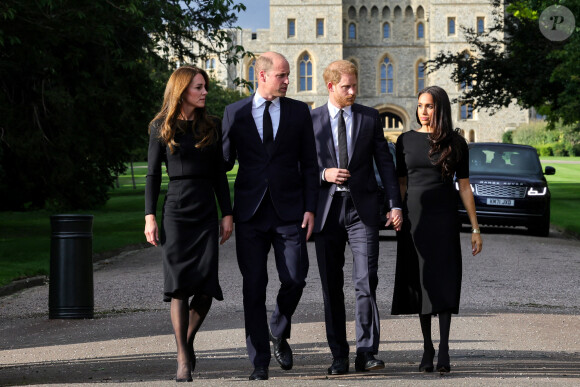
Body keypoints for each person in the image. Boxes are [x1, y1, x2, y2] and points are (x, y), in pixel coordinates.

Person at [222, 52, 318, 381]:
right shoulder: (234, 113)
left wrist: (310, 207)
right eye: (282, 75)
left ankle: (279, 327)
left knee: (295, 277)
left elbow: (310, 163)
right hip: (249, 213)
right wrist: (225, 211)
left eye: (288, 75)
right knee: (254, 286)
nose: (288, 81)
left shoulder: (299, 112)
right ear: (262, 76)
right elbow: (221, 165)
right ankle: (259, 360)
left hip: (289, 211)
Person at [311, 60, 403, 375]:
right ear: (331, 87)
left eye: (355, 85)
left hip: (362, 211)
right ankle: (338, 355)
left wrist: (395, 204)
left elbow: (385, 164)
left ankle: (366, 352)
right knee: (331, 286)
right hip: (326, 213)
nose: (353, 91)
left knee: (366, 282)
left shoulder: (369, 117)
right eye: (346, 86)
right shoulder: (312, 121)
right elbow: (300, 168)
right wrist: (325, 173)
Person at [144, 66, 233, 382]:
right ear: (182, 90)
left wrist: (227, 213)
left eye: (205, 86)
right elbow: (153, 175)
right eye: (199, 86)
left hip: (206, 209)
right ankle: (183, 357)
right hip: (176, 212)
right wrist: (149, 216)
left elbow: (220, 174)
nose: (205, 92)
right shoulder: (160, 127)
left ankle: (188, 340)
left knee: (207, 287)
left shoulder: (212, 125)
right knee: (179, 286)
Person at [391, 85, 482, 374]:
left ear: (440, 108)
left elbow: (464, 186)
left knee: (444, 280)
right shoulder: (404, 141)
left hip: (444, 219)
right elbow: (402, 183)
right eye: (420, 105)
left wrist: (476, 228)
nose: (423, 111)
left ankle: (443, 348)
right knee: (421, 282)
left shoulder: (456, 143)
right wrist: (397, 212)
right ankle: (427, 347)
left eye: (429, 106)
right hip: (414, 220)